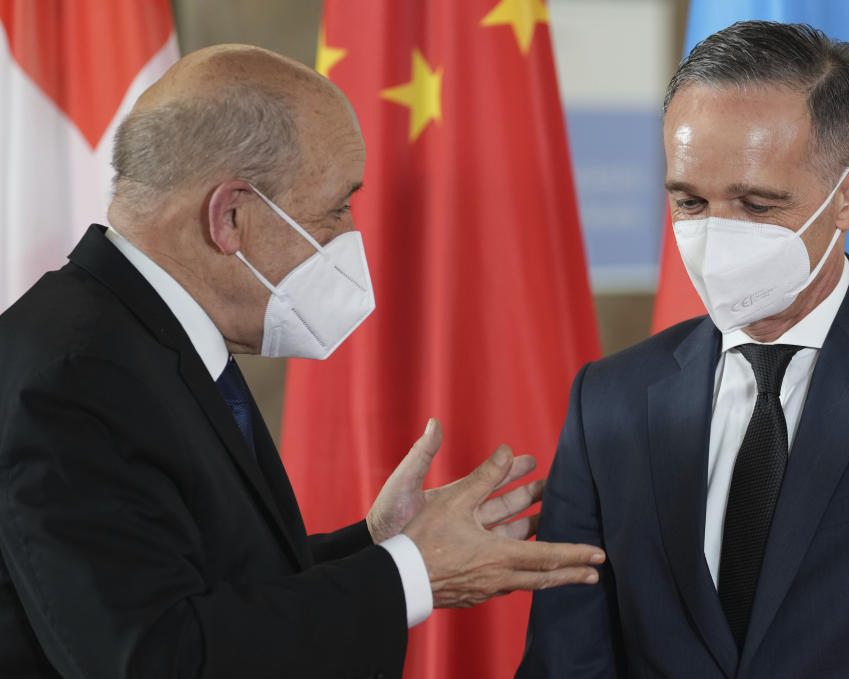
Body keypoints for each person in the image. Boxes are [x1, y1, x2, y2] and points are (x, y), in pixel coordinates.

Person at [0, 44, 606, 678]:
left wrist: (375, 543)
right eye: (336, 209)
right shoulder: (75, 376)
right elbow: (154, 656)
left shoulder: (140, 336)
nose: (349, 239)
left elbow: (207, 582)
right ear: (230, 217)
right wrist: (409, 574)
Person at [518, 20, 849, 678]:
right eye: (690, 201)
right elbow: (566, 663)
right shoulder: (606, 403)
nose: (716, 236)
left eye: (756, 203)